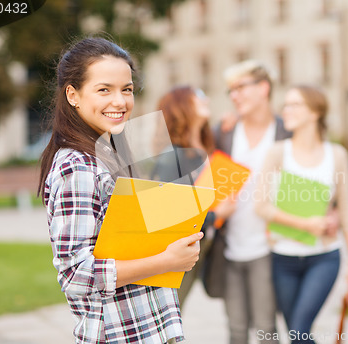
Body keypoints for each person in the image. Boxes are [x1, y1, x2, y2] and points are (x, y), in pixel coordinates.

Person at [37, 37, 203, 344]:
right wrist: (166, 261)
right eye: (104, 89)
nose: (120, 101)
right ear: (72, 94)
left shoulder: (111, 150)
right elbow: (75, 274)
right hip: (118, 334)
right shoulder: (77, 166)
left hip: (148, 328)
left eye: (127, 89)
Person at [255, 85, 348, 344]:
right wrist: (306, 223)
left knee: (299, 332)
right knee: (298, 335)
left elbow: (346, 209)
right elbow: (261, 206)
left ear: (315, 113)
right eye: (285, 104)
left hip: (323, 258)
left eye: (294, 104)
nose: (285, 110)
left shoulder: (337, 155)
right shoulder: (278, 152)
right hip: (283, 259)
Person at [212, 60, 290, 344]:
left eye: (240, 87)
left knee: (266, 330)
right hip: (229, 247)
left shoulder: (285, 131)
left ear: (264, 88)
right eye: (230, 90)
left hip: (267, 249)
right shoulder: (225, 132)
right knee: (235, 330)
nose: (234, 95)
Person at [152, 85, 235, 307]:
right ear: (182, 106)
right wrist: (216, 215)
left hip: (201, 249)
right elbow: (167, 214)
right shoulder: (172, 158)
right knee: (168, 317)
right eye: (198, 96)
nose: (206, 99)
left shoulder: (206, 146)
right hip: (175, 253)